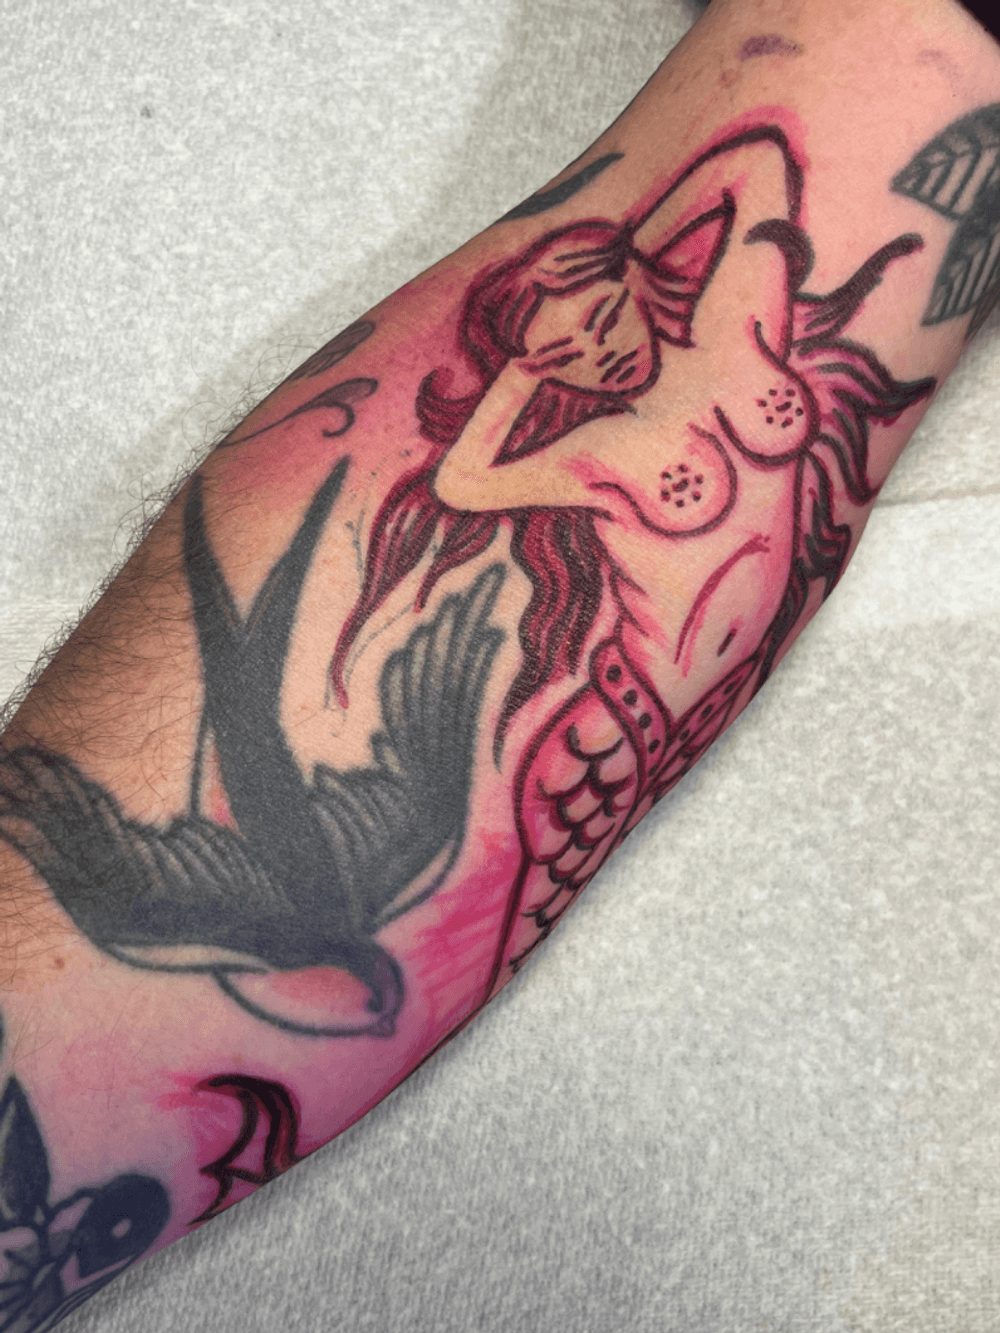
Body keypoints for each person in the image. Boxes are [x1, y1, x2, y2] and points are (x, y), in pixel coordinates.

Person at [1, 1, 999, 1328]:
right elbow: (469, 473)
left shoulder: (735, 311)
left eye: (584, 327)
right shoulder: (594, 438)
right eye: (558, 345)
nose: (583, 350)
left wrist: (642, 283)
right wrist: (537, 373)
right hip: (591, 727)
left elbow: (766, 165)